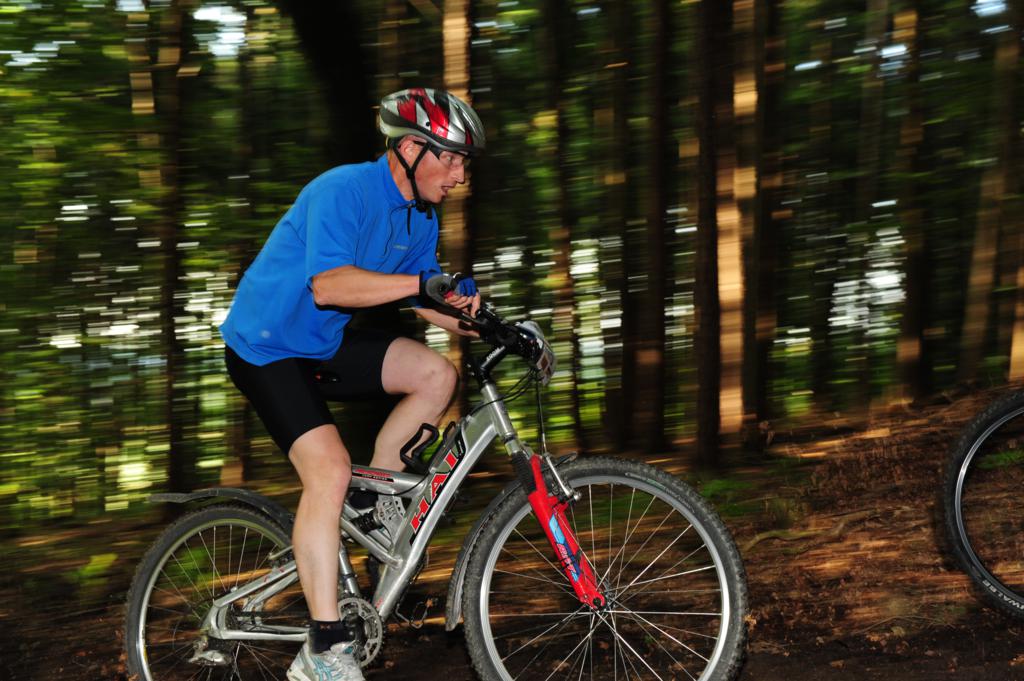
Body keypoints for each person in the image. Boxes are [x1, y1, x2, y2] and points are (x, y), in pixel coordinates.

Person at [219, 87, 486, 681]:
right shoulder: (342, 190)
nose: (460, 176)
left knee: (435, 374)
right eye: (452, 159)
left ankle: (372, 501)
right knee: (330, 470)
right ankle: (323, 649)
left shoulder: (419, 216)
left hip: (321, 343)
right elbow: (330, 286)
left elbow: (426, 299)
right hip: (265, 346)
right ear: (411, 149)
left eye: (464, 163)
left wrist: (487, 324)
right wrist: (421, 283)